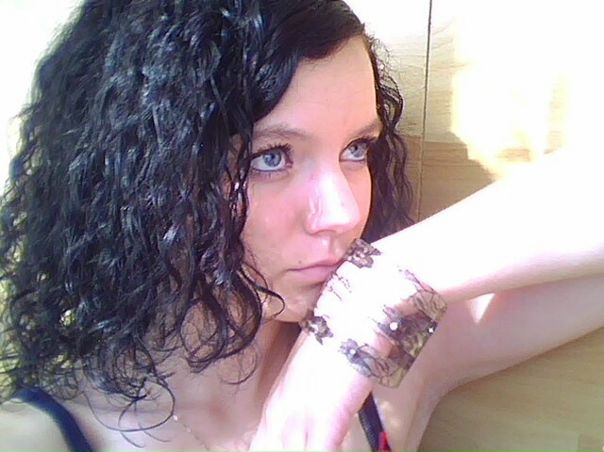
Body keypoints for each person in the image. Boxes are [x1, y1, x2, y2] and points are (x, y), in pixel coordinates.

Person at [0, 1, 603, 451]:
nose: (344, 212)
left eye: (356, 149)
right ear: (139, 176)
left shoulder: (388, 366)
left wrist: (375, 292)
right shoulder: (39, 437)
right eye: (271, 157)